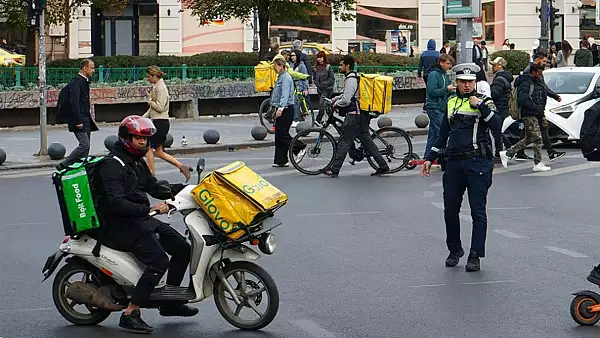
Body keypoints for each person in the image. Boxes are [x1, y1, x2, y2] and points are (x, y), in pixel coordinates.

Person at [95, 116, 197, 334]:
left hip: (140, 219)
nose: (143, 142)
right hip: (118, 225)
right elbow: (116, 203)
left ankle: (170, 304)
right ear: (126, 138)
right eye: (138, 138)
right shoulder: (112, 165)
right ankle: (130, 313)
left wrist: (192, 189)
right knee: (159, 261)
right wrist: (150, 209)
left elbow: (154, 187)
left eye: (145, 138)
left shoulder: (135, 161)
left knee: (183, 249)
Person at [420, 63, 503, 272]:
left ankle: (475, 255)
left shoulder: (484, 101)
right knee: (450, 211)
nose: (467, 86)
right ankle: (455, 249)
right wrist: (430, 158)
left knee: (478, 212)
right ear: (456, 82)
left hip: (478, 164)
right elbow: (442, 135)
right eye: (463, 82)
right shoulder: (451, 102)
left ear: (475, 82)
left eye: (470, 82)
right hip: (454, 163)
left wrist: (481, 107)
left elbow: (497, 125)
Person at [324, 55, 390, 177]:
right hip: (361, 115)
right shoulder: (354, 77)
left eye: (341, 65)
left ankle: (334, 169)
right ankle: (383, 166)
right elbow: (349, 95)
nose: (340, 67)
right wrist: (335, 99)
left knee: (344, 142)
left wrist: (336, 104)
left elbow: (347, 100)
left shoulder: (351, 79)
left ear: (347, 66)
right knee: (367, 142)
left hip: (355, 116)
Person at [142, 65, 192, 182]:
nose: (147, 79)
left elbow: (159, 107)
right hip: (159, 121)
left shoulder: (161, 88)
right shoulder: (156, 86)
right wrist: (140, 119)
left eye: (149, 76)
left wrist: (149, 100)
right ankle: (182, 167)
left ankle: (151, 175)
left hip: (161, 122)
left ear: (155, 76)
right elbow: (152, 110)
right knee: (159, 152)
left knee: (148, 147)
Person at [499, 63, 552, 172]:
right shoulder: (526, 82)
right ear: (533, 72)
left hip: (536, 113)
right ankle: (538, 163)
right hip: (529, 113)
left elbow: (542, 93)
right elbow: (523, 99)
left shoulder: (536, 82)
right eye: (539, 73)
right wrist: (535, 108)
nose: (540, 75)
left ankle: (508, 154)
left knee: (530, 137)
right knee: (537, 138)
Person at [523, 52, 566, 161]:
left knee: (528, 132)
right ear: (537, 60)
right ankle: (549, 153)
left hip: (537, 106)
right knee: (542, 129)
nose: (545, 63)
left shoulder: (536, 71)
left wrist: (554, 96)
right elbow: (532, 90)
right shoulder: (530, 72)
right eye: (543, 60)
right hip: (535, 107)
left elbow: (543, 87)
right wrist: (535, 106)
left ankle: (516, 152)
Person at [57, 59, 98, 170]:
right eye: (92, 67)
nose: (93, 70)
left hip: (85, 118)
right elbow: (74, 102)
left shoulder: (84, 81)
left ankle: (81, 169)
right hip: (79, 119)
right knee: (84, 145)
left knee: (86, 149)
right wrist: (78, 120)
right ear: (85, 68)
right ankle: (64, 165)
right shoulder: (76, 81)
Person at [271, 57, 305, 167]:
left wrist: (280, 108)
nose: (274, 68)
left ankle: (299, 148)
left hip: (286, 109)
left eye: (275, 66)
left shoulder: (285, 78)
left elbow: (285, 94)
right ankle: (281, 160)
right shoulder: (280, 77)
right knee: (279, 135)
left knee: (282, 135)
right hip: (282, 108)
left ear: (281, 66)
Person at [424, 54, 455, 159]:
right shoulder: (434, 74)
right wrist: (447, 89)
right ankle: (443, 156)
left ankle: (427, 157)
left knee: (433, 135)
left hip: (440, 107)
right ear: (441, 62)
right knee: (442, 133)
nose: (449, 66)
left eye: (450, 64)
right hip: (434, 107)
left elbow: (447, 91)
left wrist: (453, 92)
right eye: (447, 63)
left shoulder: (444, 75)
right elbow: (432, 92)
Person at [489, 57, 515, 157]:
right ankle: (507, 148)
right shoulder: (505, 78)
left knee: (497, 131)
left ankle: (502, 151)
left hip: (499, 107)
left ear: (500, 66)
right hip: (504, 107)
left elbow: (495, 94)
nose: (492, 67)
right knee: (498, 130)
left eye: (494, 65)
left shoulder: (499, 79)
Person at [314, 51, 335, 124]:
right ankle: (331, 119)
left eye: (321, 57)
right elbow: (314, 78)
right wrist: (317, 84)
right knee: (326, 106)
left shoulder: (328, 67)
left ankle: (318, 120)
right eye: (318, 57)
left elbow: (332, 79)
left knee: (321, 103)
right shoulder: (316, 68)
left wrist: (323, 84)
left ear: (324, 58)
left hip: (327, 89)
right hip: (319, 89)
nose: (319, 59)